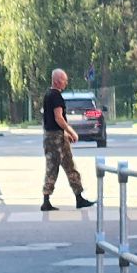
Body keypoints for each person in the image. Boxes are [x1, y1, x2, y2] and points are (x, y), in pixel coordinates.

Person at [41, 68, 93, 211]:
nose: (66, 83)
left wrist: (65, 134)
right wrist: (71, 131)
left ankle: (79, 198)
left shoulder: (48, 95)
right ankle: (46, 200)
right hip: (54, 138)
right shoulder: (55, 96)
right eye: (64, 80)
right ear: (57, 81)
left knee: (69, 165)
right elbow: (58, 118)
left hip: (56, 135)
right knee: (53, 167)